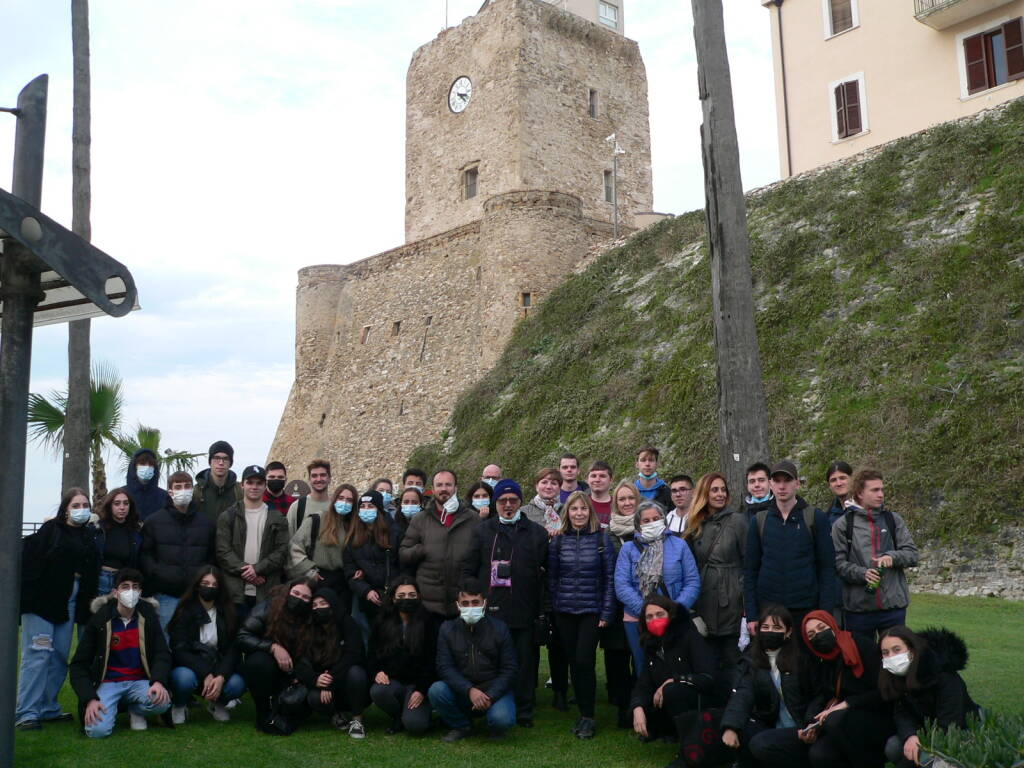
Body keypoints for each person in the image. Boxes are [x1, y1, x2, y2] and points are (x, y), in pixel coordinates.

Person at [461, 479, 548, 727]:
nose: (508, 505)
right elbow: (469, 568)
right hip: (491, 608)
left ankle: (524, 709)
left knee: (524, 661)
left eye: (513, 500)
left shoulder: (537, 533)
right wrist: (474, 596)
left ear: (520, 501)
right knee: (490, 658)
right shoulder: (482, 531)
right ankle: (487, 701)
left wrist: (541, 610)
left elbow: (544, 574)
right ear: (495, 503)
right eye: (502, 501)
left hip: (524, 607)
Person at [16, 487, 100, 730]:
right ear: (65, 509)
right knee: (37, 655)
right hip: (42, 603)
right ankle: (26, 713)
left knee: (60, 656)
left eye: (85, 504)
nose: (81, 509)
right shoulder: (50, 531)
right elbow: (30, 563)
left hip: (70, 602)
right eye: (75, 505)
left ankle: (48, 707)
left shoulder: (88, 536)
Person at [69, 567, 172, 737]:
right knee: (96, 731)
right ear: (115, 592)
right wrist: (90, 699)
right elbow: (78, 665)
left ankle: (135, 709)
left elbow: (162, 653)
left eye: (135, 587)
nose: (130, 591)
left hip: (139, 681)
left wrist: (158, 682)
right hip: (109, 683)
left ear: (140, 592)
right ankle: (111, 707)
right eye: (125, 586)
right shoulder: (100, 620)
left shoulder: (148, 618)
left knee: (163, 702)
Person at [548, 491, 616, 739]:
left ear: (590, 512)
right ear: (568, 512)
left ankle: (588, 715)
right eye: (574, 509)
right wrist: (557, 605)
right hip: (565, 610)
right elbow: (553, 578)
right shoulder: (558, 541)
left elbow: (609, 578)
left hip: (591, 610)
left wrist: (606, 611)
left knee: (585, 659)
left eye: (583, 509)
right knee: (574, 661)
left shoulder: (602, 539)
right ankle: (582, 711)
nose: (579, 514)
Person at [744, 460, 835, 639]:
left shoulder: (815, 518)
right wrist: (752, 615)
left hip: (806, 609)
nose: (782, 486)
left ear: (797, 483)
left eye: (787, 480)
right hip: (769, 611)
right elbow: (750, 571)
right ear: (771, 484)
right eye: (777, 481)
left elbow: (827, 569)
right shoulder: (759, 521)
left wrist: (824, 613)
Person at [721, 605, 813, 768]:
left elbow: (815, 696)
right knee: (742, 728)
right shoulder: (751, 661)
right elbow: (743, 694)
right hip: (769, 724)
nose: (770, 631)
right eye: (765, 627)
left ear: (788, 632)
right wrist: (731, 726)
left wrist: (810, 725)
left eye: (777, 627)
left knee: (760, 744)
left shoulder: (802, 661)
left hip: (800, 728)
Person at [832, 469, 918, 641]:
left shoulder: (893, 520)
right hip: (859, 611)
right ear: (859, 493)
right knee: (862, 665)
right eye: (875, 490)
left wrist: (892, 557)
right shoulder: (842, 525)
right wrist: (862, 574)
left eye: (882, 489)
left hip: (893, 608)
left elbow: (912, 554)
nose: (881, 494)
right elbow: (837, 564)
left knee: (896, 664)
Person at [429, 578, 518, 742]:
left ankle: (494, 725)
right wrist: (469, 690)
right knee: (437, 690)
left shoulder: (500, 628)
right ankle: (461, 726)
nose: (471, 607)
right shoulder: (447, 629)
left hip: (493, 691)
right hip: (463, 691)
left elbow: (510, 669)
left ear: (484, 602)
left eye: (475, 602)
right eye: (466, 603)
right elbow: (444, 667)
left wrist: (490, 695)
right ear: (458, 605)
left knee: (502, 719)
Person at [616, 500, 701, 671]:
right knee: (644, 666)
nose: (652, 523)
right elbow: (621, 585)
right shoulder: (628, 549)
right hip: (637, 618)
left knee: (677, 664)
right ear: (638, 525)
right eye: (646, 521)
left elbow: (692, 581)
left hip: (674, 617)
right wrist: (647, 612)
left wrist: (674, 610)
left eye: (656, 518)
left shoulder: (680, 545)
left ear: (664, 519)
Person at [879, 626, 980, 768]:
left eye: (897, 650)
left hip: (960, 732)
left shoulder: (944, 676)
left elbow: (951, 722)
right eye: (885, 652)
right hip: (925, 730)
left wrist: (922, 744)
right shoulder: (897, 676)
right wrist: (911, 736)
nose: (891, 657)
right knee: (894, 746)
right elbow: (901, 713)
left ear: (912, 650)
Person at [801, 610, 891, 768]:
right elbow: (822, 695)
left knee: (835, 720)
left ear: (833, 625)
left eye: (822, 627)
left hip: (877, 713)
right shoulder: (821, 661)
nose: (819, 635)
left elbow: (884, 691)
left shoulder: (861, 645)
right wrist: (811, 723)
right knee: (819, 755)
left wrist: (846, 704)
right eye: (812, 634)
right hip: (842, 719)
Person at [630, 595, 716, 756]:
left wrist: (674, 680)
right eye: (649, 617)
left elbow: (708, 679)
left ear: (671, 615)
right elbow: (644, 684)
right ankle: (667, 731)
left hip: (699, 699)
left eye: (659, 614)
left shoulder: (690, 637)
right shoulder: (651, 645)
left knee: (671, 690)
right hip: (669, 701)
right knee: (640, 703)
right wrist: (637, 707)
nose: (654, 619)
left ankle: (689, 746)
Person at [683, 472, 747, 677]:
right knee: (707, 658)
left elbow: (749, 561)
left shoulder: (738, 521)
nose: (720, 494)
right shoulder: (694, 524)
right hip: (704, 597)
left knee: (732, 656)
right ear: (704, 493)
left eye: (723, 489)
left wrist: (742, 595)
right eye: (714, 490)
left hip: (731, 598)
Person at [166, 565, 245, 724]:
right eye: (205, 583)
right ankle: (180, 705)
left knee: (237, 683)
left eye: (214, 585)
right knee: (182, 679)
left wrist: (221, 676)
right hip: (191, 666)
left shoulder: (228, 612)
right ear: (196, 586)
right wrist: (206, 673)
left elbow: (233, 649)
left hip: (219, 664)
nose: (210, 588)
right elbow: (179, 650)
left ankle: (217, 703)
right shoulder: (184, 611)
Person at [141, 470, 217, 631]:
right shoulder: (153, 521)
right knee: (166, 641)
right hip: (166, 594)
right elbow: (146, 555)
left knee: (195, 642)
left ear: (192, 489)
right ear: (170, 491)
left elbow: (212, 556)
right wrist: (159, 574)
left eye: (187, 486)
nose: (183, 490)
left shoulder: (206, 523)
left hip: (196, 595)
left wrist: (203, 580)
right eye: (178, 486)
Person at [237, 578, 315, 734]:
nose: (299, 599)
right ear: (288, 591)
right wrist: (272, 647)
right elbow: (243, 636)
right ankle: (263, 711)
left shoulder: (312, 618)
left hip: (296, 668)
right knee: (257, 662)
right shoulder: (267, 607)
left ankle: (282, 712)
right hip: (269, 662)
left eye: (305, 597)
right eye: (296, 593)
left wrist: (299, 673)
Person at [399, 469, 481, 618]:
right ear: (433, 489)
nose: (444, 489)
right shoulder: (421, 519)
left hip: (462, 602)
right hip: (429, 604)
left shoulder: (473, 519)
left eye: (448, 484)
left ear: (456, 488)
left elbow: (481, 555)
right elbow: (404, 553)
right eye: (440, 485)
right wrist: (422, 549)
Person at [217, 465, 291, 618]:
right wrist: (248, 572)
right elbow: (223, 551)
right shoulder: (228, 516)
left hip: (266, 591)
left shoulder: (277, 517)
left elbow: (282, 551)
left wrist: (258, 569)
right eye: (250, 482)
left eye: (259, 483)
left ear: (265, 485)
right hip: (235, 592)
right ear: (242, 485)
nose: (254, 487)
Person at [368, 575, 440, 735]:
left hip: (418, 685)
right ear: (393, 598)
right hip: (394, 683)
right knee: (378, 691)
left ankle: (416, 714)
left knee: (416, 726)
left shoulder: (429, 622)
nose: (406, 599)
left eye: (411, 595)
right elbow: (372, 654)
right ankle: (398, 717)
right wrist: (377, 672)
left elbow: (433, 660)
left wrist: (421, 689)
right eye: (401, 596)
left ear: (419, 597)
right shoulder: (382, 622)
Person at [294, 587, 370, 738]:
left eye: (323, 603)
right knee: (314, 698)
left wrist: (331, 679)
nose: (318, 608)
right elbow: (301, 660)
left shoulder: (348, 623)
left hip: (344, 680)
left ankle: (357, 720)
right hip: (321, 683)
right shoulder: (308, 628)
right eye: (314, 606)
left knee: (356, 673)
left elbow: (353, 655)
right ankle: (335, 715)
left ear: (333, 604)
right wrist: (316, 679)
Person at [288, 482, 356, 602]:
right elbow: (294, 547)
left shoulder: (355, 526)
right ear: (334, 499)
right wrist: (309, 571)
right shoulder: (317, 520)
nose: (344, 502)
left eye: (349, 500)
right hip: (319, 579)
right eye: (341, 498)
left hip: (344, 584)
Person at [344, 490, 401, 627]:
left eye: (370, 506)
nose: (366, 510)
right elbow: (349, 569)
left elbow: (402, 565)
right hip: (366, 599)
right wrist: (366, 590)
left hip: (392, 596)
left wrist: (395, 590)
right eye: (362, 507)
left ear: (379, 509)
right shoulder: (353, 536)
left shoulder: (394, 533)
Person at [95, 487, 142, 597]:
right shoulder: (98, 529)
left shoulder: (135, 532)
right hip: (100, 580)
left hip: (123, 582)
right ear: (110, 506)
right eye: (117, 504)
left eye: (126, 503)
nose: (122, 507)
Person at [194, 440, 243, 524]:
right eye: (216, 458)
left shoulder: (239, 491)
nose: (221, 463)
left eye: (225, 459)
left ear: (230, 463)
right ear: (210, 461)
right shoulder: (197, 491)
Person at [286, 459, 333, 536]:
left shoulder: (335, 507)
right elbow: (289, 539)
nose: (319, 479)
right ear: (309, 480)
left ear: (329, 479)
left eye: (323, 475)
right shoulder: (297, 507)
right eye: (314, 476)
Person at [125, 448, 169, 522]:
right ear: (134, 467)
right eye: (142, 464)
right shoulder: (122, 494)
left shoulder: (164, 496)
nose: (147, 467)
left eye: (151, 464)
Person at [520, 468, 563, 536]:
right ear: (537, 486)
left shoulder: (567, 511)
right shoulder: (522, 513)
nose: (548, 487)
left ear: (560, 488)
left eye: (554, 483)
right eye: (544, 482)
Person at [824, 461, 853, 527]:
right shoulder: (829, 514)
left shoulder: (864, 507)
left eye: (842, 478)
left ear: (852, 479)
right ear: (829, 485)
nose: (839, 483)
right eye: (833, 480)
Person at [586, 460, 614, 526]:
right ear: (587, 480)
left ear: (611, 480)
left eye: (602, 476)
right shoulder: (580, 504)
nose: (597, 480)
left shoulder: (618, 506)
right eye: (593, 476)